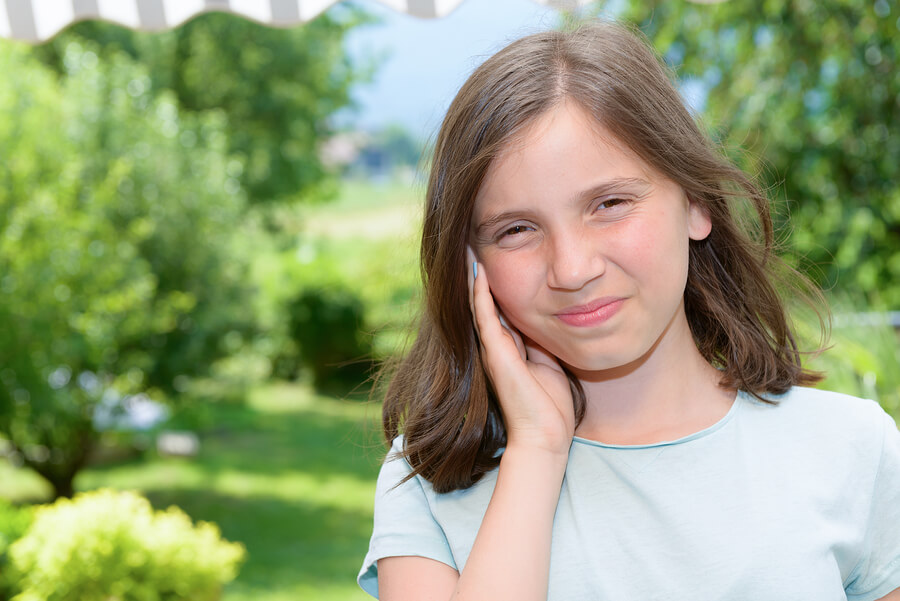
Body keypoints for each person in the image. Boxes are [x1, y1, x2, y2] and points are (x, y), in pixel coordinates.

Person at [357, 20, 900, 601]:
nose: (572, 268)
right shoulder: (427, 481)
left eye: (610, 204)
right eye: (517, 230)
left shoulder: (852, 449)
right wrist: (537, 449)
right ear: (470, 266)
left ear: (696, 204)